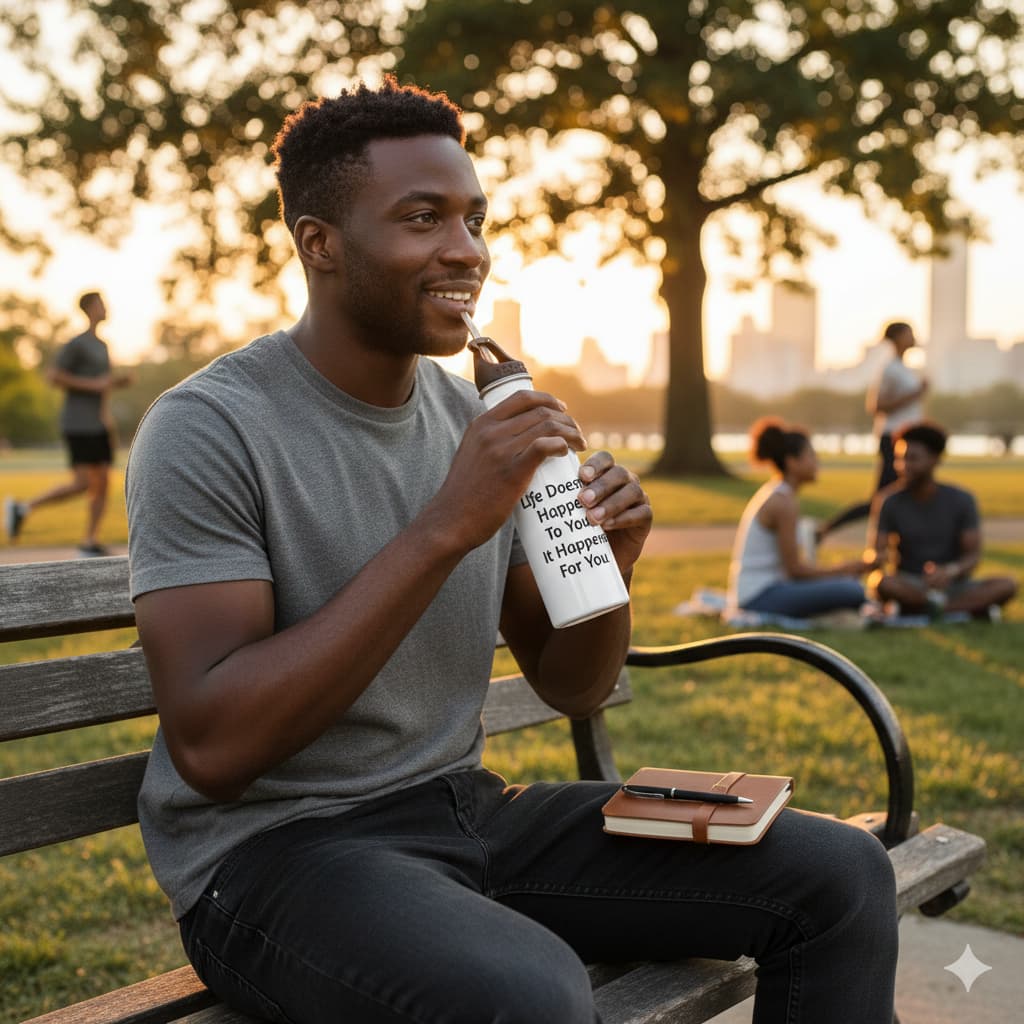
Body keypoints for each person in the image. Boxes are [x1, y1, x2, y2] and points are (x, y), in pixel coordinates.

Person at [125, 78, 898, 1023]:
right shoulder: (210, 428)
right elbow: (213, 746)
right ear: (318, 243)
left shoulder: (476, 418)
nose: (467, 251)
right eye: (423, 219)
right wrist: (449, 524)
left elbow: (572, 683)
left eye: (475, 219)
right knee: (524, 993)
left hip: (467, 812)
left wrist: (606, 568)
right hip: (278, 857)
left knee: (842, 874)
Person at [4, 291, 133, 556]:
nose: (105, 308)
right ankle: (23, 508)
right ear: (88, 309)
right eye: (101, 304)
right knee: (84, 482)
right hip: (78, 423)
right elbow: (53, 376)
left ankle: (89, 541)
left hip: (97, 424)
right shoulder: (77, 344)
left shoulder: (103, 345)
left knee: (103, 482)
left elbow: (102, 388)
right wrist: (92, 384)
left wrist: (108, 415)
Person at [867, 421, 1017, 618]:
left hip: (953, 583)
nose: (903, 466)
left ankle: (934, 610)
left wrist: (950, 571)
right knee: (881, 582)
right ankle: (958, 609)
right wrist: (875, 558)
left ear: (935, 459)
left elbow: (972, 556)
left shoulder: (962, 500)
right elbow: (876, 553)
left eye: (912, 459)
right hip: (911, 584)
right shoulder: (889, 501)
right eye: (899, 459)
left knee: (1007, 584)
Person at [727, 417, 872, 620]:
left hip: (767, 589)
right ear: (791, 462)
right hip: (760, 596)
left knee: (848, 588)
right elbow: (795, 570)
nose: (816, 462)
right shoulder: (783, 503)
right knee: (853, 590)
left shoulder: (779, 494)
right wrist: (842, 570)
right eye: (811, 455)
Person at [817, 321, 927, 541]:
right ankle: (824, 531)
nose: (914, 337)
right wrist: (914, 395)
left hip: (907, 440)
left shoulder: (904, 368)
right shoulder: (890, 368)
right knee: (882, 498)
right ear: (898, 338)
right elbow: (876, 406)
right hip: (893, 440)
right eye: (909, 333)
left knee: (907, 494)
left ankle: (904, 541)